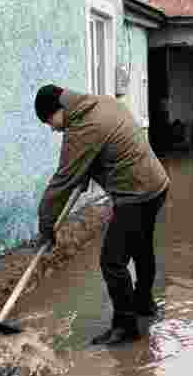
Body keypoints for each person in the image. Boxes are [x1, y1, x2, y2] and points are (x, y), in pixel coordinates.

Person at [34, 84, 170, 346]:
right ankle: (144, 304)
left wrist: (46, 227)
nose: (51, 128)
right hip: (156, 185)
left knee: (112, 260)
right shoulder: (100, 104)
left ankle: (125, 326)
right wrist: (87, 169)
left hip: (136, 195)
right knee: (141, 248)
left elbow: (60, 183)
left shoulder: (82, 129)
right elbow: (106, 147)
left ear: (61, 110)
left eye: (49, 121)